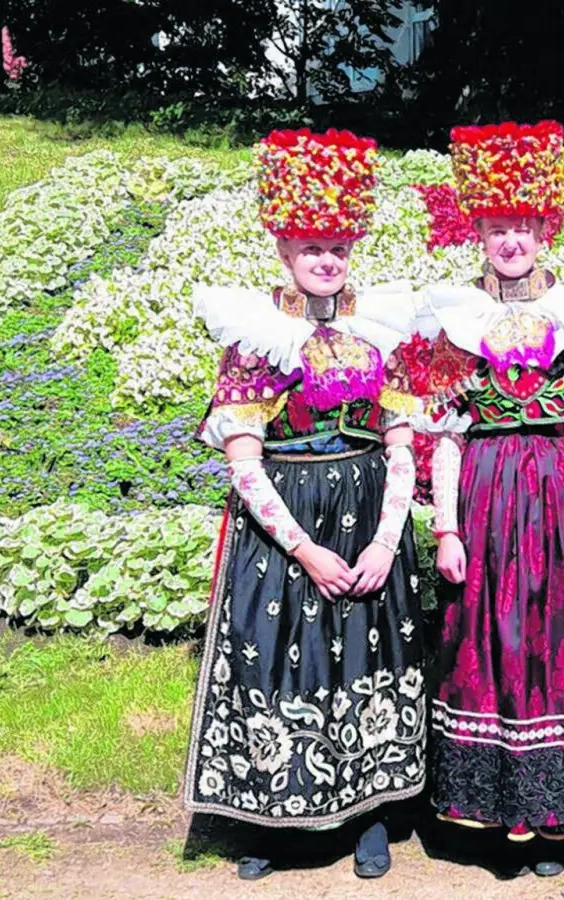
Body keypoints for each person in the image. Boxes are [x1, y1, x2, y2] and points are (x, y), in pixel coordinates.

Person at [182, 128, 427, 881]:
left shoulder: (380, 332)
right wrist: (304, 549)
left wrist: (385, 544)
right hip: (286, 529)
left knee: (368, 656)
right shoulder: (256, 339)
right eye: (310, 247)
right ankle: (272, 819)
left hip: (365, 514)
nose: (326, 260)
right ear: (284, 252)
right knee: (282, 661)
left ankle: (371, 815)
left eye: (338, 248)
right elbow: (244, 463)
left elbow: (402, 445)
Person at [415, 121, 564, 878]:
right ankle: (496, 807)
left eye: (522, 227)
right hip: (489, 505)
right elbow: (445, 434)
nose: (510, 240)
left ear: (545, 228)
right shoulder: (457, 322)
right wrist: (446, 529)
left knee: (559, 643)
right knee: (491, 642)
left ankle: (560, 812)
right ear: (478, 231)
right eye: (496, 227)